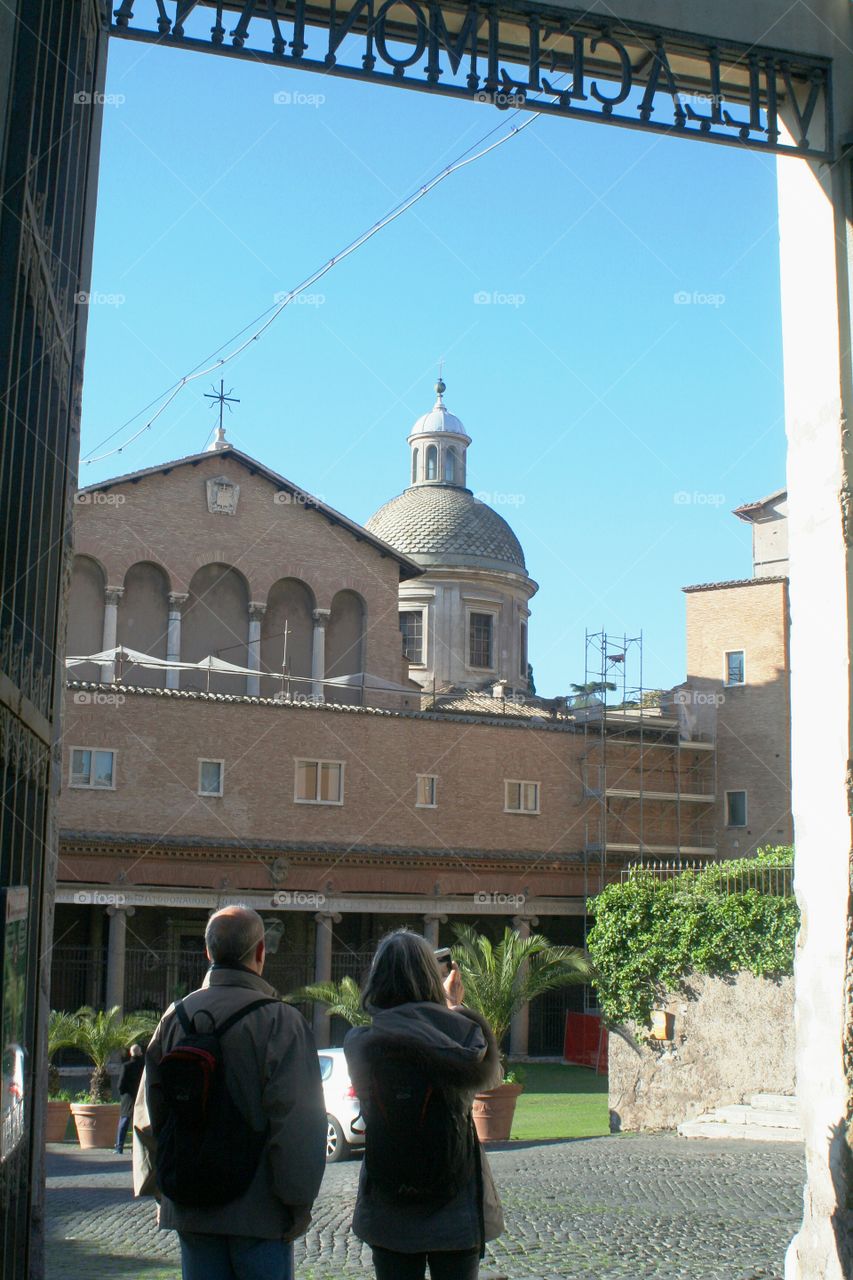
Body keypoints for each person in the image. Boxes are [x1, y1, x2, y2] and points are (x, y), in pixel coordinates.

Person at [133, 905, 327, 1280]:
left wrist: (161, 1188)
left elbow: (148, 1114)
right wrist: (297, 1202)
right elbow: (298, 1124)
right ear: (260, 953)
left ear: (208, 953)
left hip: (191, 1205)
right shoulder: (282, 1021)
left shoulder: (175, 1018)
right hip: (260, 1211)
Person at [344, 930, 504, 1280]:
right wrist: (453, 1008)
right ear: (432, 978)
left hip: (388, 1199)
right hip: (455, 1199)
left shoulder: (359, 1044)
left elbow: (402, 1027)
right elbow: (491, 1080)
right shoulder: (463, 1038)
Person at [114, 1042, 144, 1154]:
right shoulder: (144, 1066)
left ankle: (119, 1147)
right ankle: (135, 1147)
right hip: (139, 1096)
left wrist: (123, 1093)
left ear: (130, 1053)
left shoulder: (126, 1066)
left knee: (124, 1122)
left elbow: (120, 1084)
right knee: (137, 1123)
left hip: (127, 1097)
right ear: (140, 1053)